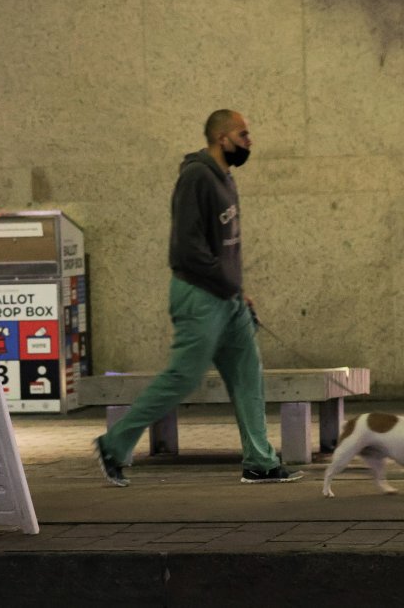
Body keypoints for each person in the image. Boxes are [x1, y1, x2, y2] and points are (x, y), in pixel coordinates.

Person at [94, 109, 303, 487]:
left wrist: (238, 290)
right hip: (199, 295)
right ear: (222, 139)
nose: (249, 141)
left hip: (228, 297)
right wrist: (225, 285)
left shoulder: (226, 179)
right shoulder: (196, 177)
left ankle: (260, 461)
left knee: (247, 377)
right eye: (243, 134)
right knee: (183, 376)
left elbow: (225, 247)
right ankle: (114, 443)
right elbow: (187, 249)